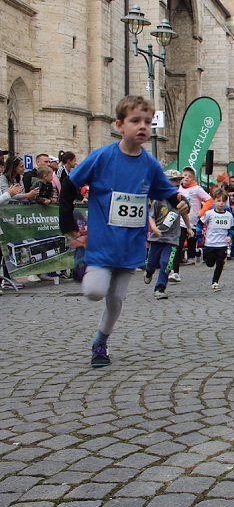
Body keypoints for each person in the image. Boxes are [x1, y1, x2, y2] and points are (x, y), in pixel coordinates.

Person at [58, 95, 189, 367]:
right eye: (135, 121)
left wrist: (181, 202)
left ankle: (100, 343)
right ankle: (82, 262)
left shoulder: (150, 165)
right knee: (94, 291)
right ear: (119, 125)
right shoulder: (102, 157)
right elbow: (69, 185)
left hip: (130, 246)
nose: (142, 126)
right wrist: (67, 225)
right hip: (102, 243)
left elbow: (168, 192)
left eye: (147, 122)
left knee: (116, 299)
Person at [145, 170, 192, 299]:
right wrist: (154, 228)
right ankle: (149, 272)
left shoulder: (180, 199)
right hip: (157, 238)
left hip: (172, 239)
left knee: (167, 263)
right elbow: (151, 216)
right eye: (173, 180)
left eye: (178, 180)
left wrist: (189, 228)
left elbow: (184, 213)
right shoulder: (159, 199)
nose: (177, 183)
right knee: (151, 263)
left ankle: (160, 288)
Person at [177, 166, 212, 273]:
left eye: (190, 176)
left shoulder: (197, 189)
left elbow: (209, 200)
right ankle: (175, 270)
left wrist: (202, 211)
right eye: (185, 175)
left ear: (193, 178)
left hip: (193, 221)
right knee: (179, 245)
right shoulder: (178, 188)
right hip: (180, 221)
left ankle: (197, 253)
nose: (187, 177)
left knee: (191, 246)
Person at [198, 193, 234, 291]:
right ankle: (202, 253)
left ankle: (215, 282)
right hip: (210, 243)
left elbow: (231, 228)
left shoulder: (229, 215)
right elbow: (200, 224)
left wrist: (230, 236)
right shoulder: (209, 214)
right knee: (210, 263)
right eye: (218, 201)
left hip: (222, 244)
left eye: (223, 201)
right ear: (214, 201)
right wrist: (199, 237)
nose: (221, 203)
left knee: (220, 263)